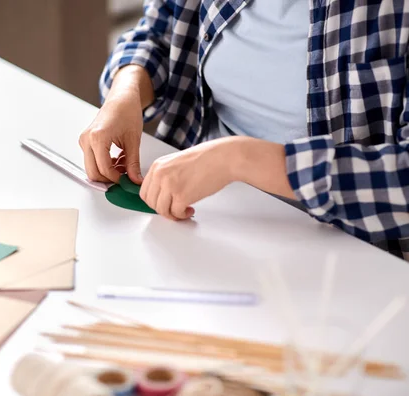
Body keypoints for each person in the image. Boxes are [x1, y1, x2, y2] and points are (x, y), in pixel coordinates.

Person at [78, 0, 409, 260]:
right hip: (200, 214)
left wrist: (239, 159)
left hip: (349, 250)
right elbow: (161, 29)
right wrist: (127, 90)